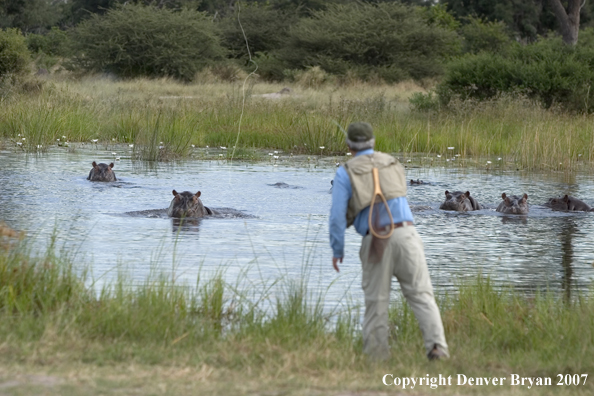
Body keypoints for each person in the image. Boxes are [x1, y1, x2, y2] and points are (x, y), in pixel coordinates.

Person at [329, 122, 449, 361]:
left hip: (376, 240)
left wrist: (337, 249)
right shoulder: (393, 163)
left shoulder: (345, 172)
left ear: (349, 145)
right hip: (409, 235)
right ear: (373, 142)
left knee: (377, 301)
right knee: (422, 295)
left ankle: (377, 358)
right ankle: (437, 349)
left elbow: (336, 218)